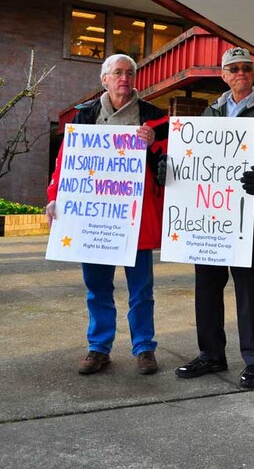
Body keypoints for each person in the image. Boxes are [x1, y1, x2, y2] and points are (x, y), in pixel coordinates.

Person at [174, 47, 254, 389]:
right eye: (233, 68)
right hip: (208, 216)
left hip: (249, 217)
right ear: (223, 75)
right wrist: (172, 165)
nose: (240, 72)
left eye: (246, 68)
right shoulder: (210, 111)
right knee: (206, 287)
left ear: (252, 74)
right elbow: (192, 157)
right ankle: (211, 354)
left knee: (248, 291)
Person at [45, 54, 169, 376]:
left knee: (141, 290)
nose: (124, 78)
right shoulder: (85, 116)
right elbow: (65, 163)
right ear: (105, 79)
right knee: (97, 288)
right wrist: (53, 198)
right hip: (93, 220)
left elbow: (171, 168)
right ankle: (99, 348)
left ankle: (144, 348)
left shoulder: (156, 118)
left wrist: (155, 144)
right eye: (117, 73)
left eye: (129, 72)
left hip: (136, 219)